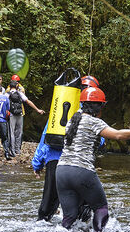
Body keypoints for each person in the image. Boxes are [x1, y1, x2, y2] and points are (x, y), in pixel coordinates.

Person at [55, 86, 130, 232]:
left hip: (61, 171)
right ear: (99, 107)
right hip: (81, 171)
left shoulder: (73, 119)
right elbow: (119, 135)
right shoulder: (94, 122)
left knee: (69, 216)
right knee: (101, 208)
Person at [32, 74, 100, 222]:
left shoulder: (63, 103)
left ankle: (42, 225)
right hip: (78, 165)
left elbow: (46, 136)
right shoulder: (91, 113)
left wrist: (37, 163)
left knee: (48, 203)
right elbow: (99, 141)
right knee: (83, 207)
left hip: (54, 161)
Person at [6, 78, 44, 155]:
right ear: (17, 86)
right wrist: (37, 110)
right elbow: (28, 102)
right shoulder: (20, 93)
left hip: (12, 115)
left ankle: (12, 150)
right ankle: (18, 150)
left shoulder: (7, 94)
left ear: (9, 86)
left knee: (11, 133)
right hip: (20, 114)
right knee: (19, 132)